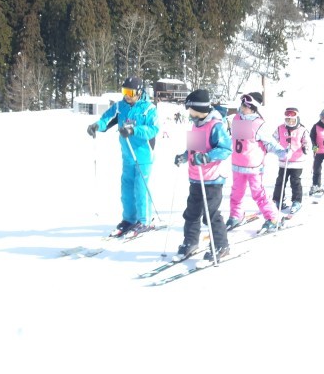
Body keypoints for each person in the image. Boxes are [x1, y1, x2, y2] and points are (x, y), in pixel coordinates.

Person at [86, 76, 159, 237]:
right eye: (124, 91)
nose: (127, 96)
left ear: (139, 92)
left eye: (130, 92)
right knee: (126, 190)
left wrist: (134, 130)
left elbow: (153, 129)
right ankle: (129, 219)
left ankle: (145, 220)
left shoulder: (149, 109)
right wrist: (97, 126)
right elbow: (106, 119)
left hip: (143, 155)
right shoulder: (120, 106)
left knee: (141, 188)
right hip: (127, 155)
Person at [173, 89, 233, 262]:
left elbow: (226, 149)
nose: (189, 113)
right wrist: (184, 157)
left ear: (199, 108)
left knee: (210, 214)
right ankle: (190, 241)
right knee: (192, 212)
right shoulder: (196, 124)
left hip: (212, 179)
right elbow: (193, 148)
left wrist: (207, 157)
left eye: (191, 110)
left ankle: (221, 245)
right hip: (196, 177)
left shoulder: (215, 126)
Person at [228, 92, 288, 233]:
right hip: (237, 164)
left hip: (253, 167)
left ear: (253, 108)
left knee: (258, 193)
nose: (243, 108)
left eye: (246, 106)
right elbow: (239, 140)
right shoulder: (237, 119)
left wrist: (282, 152)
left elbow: (270, 143)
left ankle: (273, 218)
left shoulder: (258, 124)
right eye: (242, 105)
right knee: (236, 193)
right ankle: (236, 215)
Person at [272, 107, 310, 215]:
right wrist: (276, 148)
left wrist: (305, 147)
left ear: (297, 119)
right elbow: (273, 140)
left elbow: (306, 141)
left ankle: (296, 201)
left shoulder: (302, 129)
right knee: (280, 181)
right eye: (288, 120)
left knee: (295, 181)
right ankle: (278, 199)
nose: (290, 122)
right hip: (284, 160)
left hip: (297, 161)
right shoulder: (280, 128)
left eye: (292, 120)